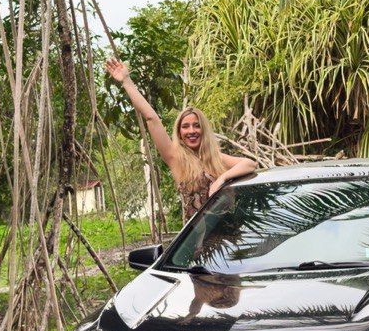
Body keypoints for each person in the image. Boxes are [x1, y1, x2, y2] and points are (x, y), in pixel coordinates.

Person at [105, 58, 256, 223]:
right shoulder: (175, 159)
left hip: (228, 239)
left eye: (196, 126)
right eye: (185, 126)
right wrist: (126, 81)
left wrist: (222, 178)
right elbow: (151, 118)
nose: (191, 131)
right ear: (179, 132)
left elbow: (249, 164)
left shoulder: (215, 159)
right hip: (196, 242)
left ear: (203, 130)